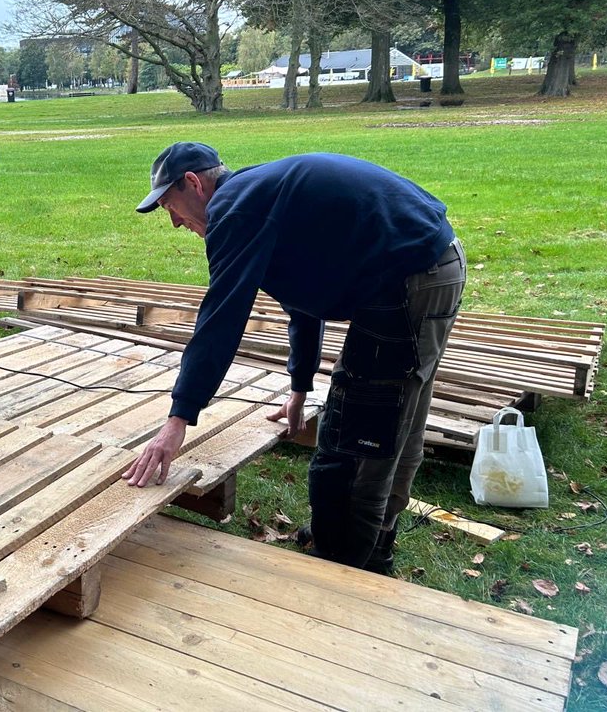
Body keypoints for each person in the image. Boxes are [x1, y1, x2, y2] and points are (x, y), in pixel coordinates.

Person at [122, 143, 466, 574]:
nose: (174, 222)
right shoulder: (259, 198)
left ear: (193, 183)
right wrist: (300, 386)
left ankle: (343, 562)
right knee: (397, 415)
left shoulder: (234, 209)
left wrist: (178, 420)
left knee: (354, 438)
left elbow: (221, 318)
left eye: (170, 206)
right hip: (429, 263)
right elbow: (304, 300)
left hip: (408, 275)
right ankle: (369, 539)